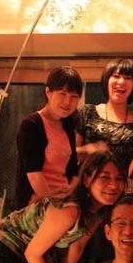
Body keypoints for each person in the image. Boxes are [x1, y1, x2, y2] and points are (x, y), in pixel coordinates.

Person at [76, 58, 133, 187]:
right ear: (106, 80)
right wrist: (87, 150)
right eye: (116, 76)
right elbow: (67, 155)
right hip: (88, 189)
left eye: (128, 78)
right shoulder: (87, 112)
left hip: (126, 191)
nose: (121, 82)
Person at [15, 66, 83, 209]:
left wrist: (68, 197)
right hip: (37, 203)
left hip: (64, 201)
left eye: (74, 96)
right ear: (48, 92)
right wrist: (53, 205)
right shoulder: (31, 125)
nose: (68, 102)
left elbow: (72, 170)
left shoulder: (67, 124)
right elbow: (34, 175)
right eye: (62, 94)